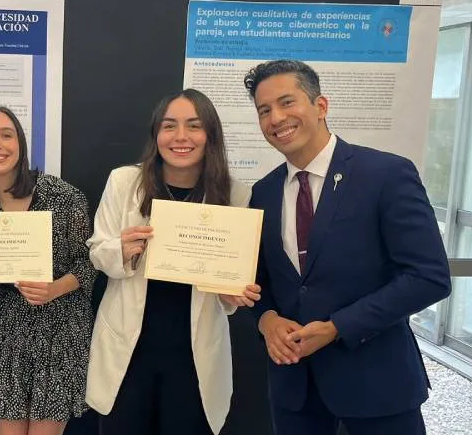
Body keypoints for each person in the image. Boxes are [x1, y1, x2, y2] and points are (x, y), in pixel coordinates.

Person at [243, 60, 451, 435]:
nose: (276, 118)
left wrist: (338, 327)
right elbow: (259, 281)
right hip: (295, 390)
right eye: (264, 110)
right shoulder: (264, 192)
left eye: (287, 102)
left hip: (378, 385)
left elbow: (428, 277)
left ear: (321, 106)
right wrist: (266, 318)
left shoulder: (386, 175)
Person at [85, 89, 261, 435]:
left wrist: (230, 293)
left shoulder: (235, 194)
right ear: (156, 134)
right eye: (169, 126)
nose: (180, 136)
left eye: (194, 126)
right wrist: (122, 249)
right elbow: (97, 251)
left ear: (210, 134)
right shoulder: (124, 182)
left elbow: (227, 285)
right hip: (128, 350)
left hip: (193, 356)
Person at [0, 106, 97, 435]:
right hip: (5, 332)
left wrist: (55, 288)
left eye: (6, 135)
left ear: (20, 145)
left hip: (60, 331)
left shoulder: (63, 196)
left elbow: (91, 262)